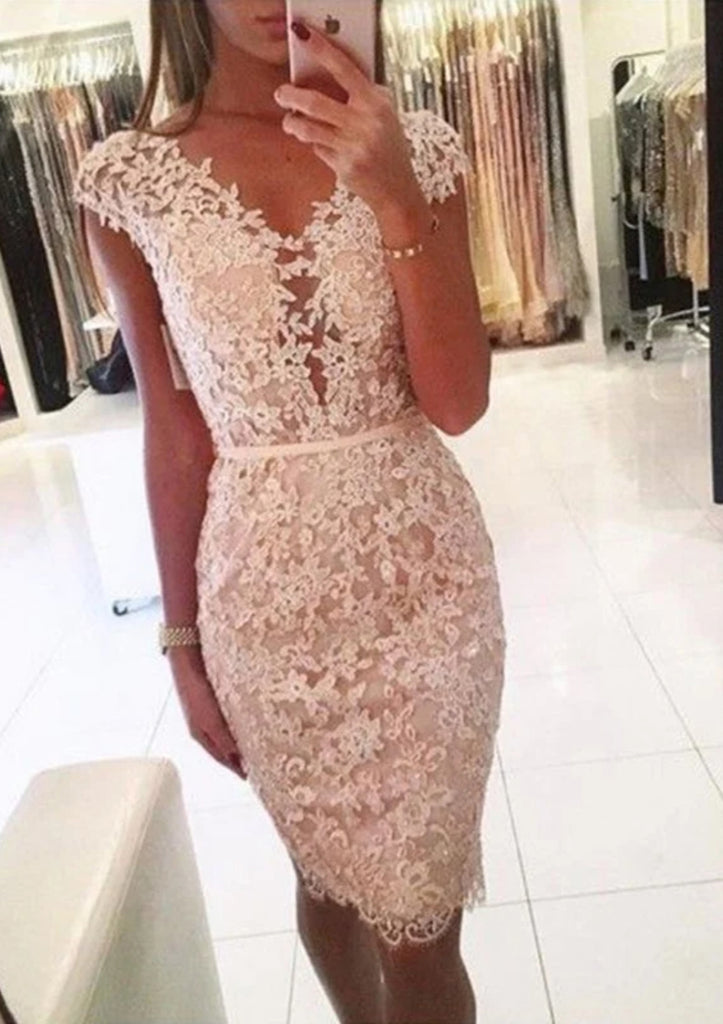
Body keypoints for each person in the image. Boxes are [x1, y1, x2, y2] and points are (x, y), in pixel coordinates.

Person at [73, 3, 506, 1021]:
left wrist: (394, 197)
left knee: (420, 920)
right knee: (328, 877)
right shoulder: (128, 182)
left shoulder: (419, 148)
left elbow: (457, 403)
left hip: (425, 587)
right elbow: (174, 430)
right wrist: (181, 642)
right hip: (264, 605)